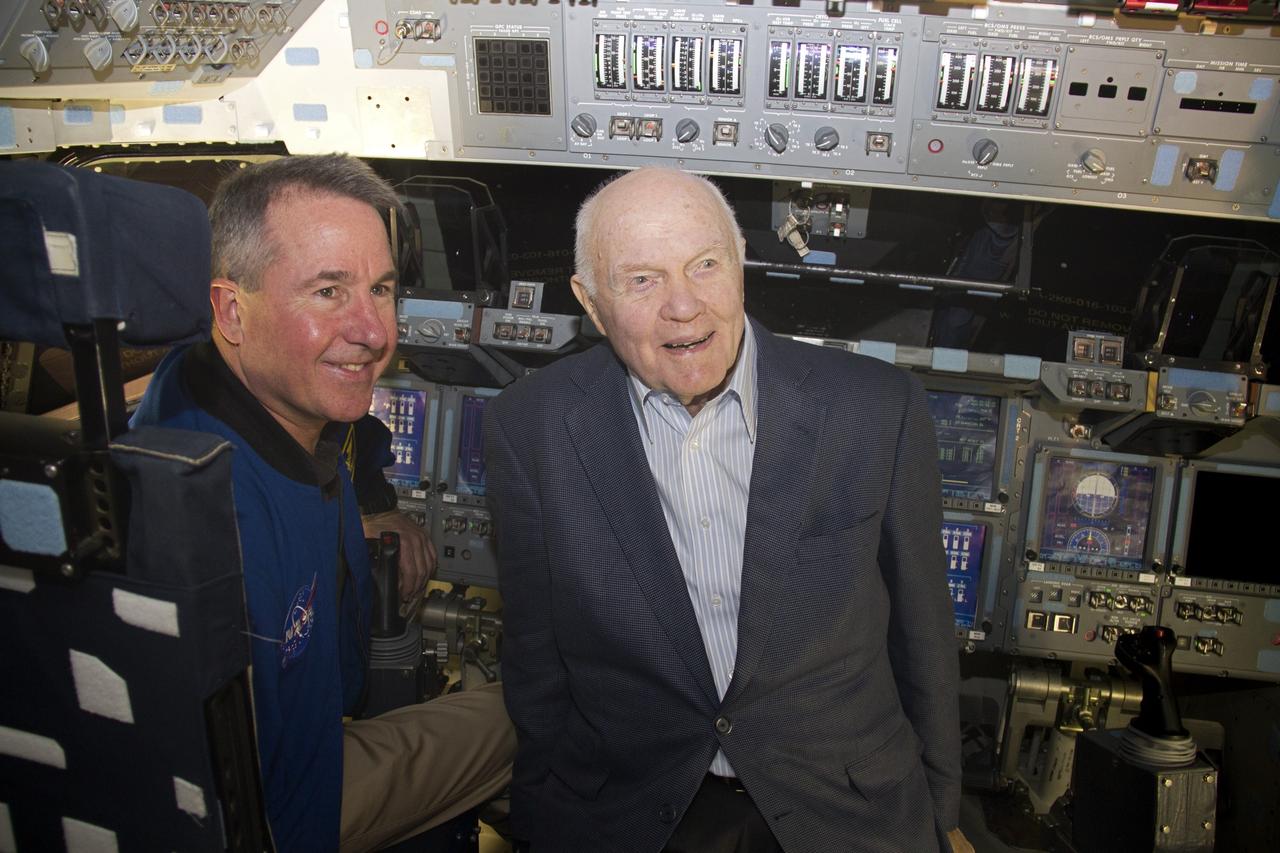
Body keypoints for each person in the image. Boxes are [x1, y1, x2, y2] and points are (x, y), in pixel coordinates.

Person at [485, 167, 967, 852]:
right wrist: (543, 816)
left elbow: (923, 638)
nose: (684, 306)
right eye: (642, 280)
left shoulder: (875, 408)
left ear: (739, 264)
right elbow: (535, 657)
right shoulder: (529, 425)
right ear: (590, 304)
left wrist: (941, 815)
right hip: (628, 810)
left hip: (848, 811)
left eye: (704, 265)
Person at [130, 154, 514, 852]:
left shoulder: (230, 385)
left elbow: (355, 432)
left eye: (381, 288)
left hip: (324, 725)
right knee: (529, 709)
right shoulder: (213, 528)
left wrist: (372, 502)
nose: (373, 332)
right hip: (292, 812)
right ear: (230, 310)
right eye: (329, 291)